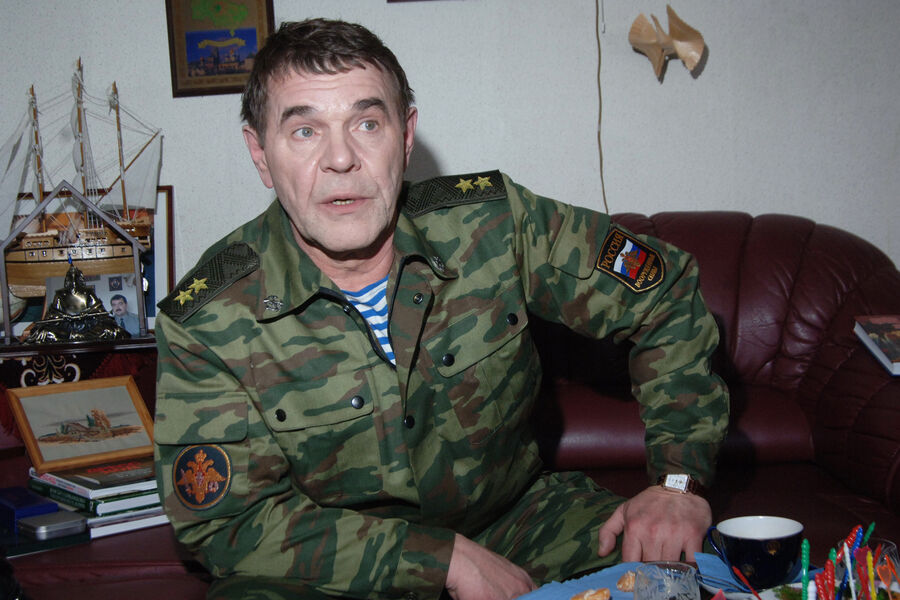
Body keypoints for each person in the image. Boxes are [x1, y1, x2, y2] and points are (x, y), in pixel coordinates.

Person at [154, 18, 729, 600]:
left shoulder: (495, 225)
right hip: (339, 569)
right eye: (304, 131)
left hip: (518, 523)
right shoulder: (208, 322)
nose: (341, 159)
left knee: (673, 582)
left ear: (405, 136)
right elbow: (229, 522)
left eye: (367, 124)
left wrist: (677, 484)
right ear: (260, 154)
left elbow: (665, 290)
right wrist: (439, 561)